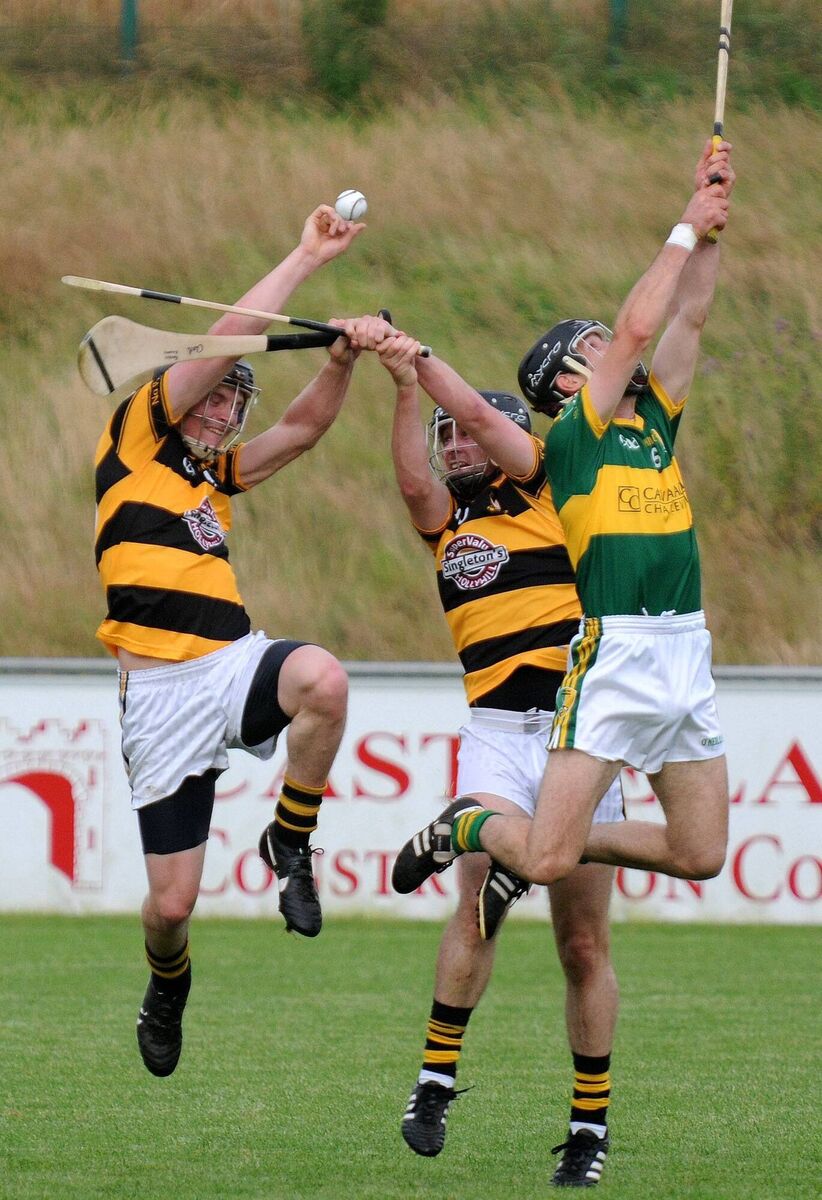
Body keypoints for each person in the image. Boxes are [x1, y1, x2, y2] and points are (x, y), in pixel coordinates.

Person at [389, 139, 735, 1185]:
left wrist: (715, 222)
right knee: (538, 863)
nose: (610, 344)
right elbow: (636, 325)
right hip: (619, 658)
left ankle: (510, 838)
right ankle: (468, 830)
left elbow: (687, 319)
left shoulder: (655, 426)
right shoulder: (573, 437)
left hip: (690, 655)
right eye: (587, 346)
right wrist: (678, 222)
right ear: (570, 379)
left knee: (702, 855)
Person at [340, 313, 624, 1185]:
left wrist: (424, 362)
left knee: (581, 948)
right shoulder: (445, 526)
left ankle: (588, 1130)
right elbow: (408, 479)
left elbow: (483, 413)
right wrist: (398, 387)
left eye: (467, 430)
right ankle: (434, 1083)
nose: (454, 442)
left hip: (581, 730)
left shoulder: (550, 490)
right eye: (445, 436)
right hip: (499, 734)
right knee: (476, 910)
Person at [93, 204, 364, 1077]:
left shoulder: (210, 478)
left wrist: (339, 362)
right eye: (212, 389)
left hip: (232, 664)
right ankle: (167, 983)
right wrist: (304, 257)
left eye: (231, 397)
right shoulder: (136, 436)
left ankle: (291, 838)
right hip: (159, 700)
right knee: (170, 909)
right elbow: (228, 336)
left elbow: (305, 430)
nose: (222, 405)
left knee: (323, 680)